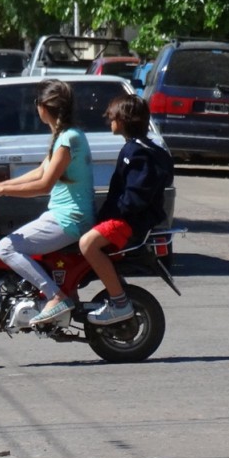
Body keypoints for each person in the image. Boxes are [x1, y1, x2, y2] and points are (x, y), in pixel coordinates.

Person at [0, 79, 94, 325]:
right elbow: (40, 172)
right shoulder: (65, 136)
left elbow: (44, 185)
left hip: (70, 218)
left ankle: (55, 296)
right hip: (64, 215)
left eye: (36, 103)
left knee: (6, 248)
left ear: (44, 106)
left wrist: (2, 191)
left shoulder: (67, 139)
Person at [79, 94, 174, 324]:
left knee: (87, 244)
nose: (109, 119)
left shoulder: (138, 152)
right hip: (125, 219)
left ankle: (120, 302)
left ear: (123, 119)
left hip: (130, 222)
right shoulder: (136, 148)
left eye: (112, 116)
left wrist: (115, 214)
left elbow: (135, 196)